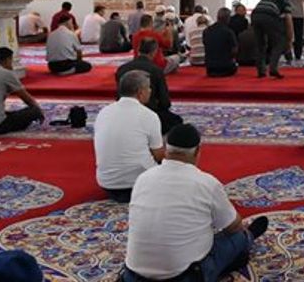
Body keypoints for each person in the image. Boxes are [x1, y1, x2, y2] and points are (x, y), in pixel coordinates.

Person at [122, 124, 268, 282]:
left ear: (166, 150)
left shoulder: (143, 178)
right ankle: (248, 239)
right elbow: (234, 226)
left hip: (132, 277)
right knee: (238, 237)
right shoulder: (206, 183)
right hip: (184, 277)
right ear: (198, 151)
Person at [94, 70, 165, 202]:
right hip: (139, 184)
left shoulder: (104, 112)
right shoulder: (149, 115)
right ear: (140, 92)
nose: (150, 91)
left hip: (107, 183)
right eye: (148, 88)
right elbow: (159, 155)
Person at [117, 39, 183, 134]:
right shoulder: (155, 70)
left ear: (138, 50)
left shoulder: (122, 69)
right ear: (154, 52)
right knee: (175, 121)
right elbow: (165, 102)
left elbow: (119, 96)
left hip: (124, 113)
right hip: (149, 112)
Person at [252, 0, 294, 79]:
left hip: (255, 15)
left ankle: (261, 71)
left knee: (260, 44)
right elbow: (288, 20)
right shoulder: (286, 0)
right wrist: (289, 39)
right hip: (269, 16)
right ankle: (273, 68)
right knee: (279, 42)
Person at [201, 7, 239, 77]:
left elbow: (205, 44)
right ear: (228, 18)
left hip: (210, 68)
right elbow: (235, 50)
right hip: (225, 68)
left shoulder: (206, 31)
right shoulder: (229, 32)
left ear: (217, 17)